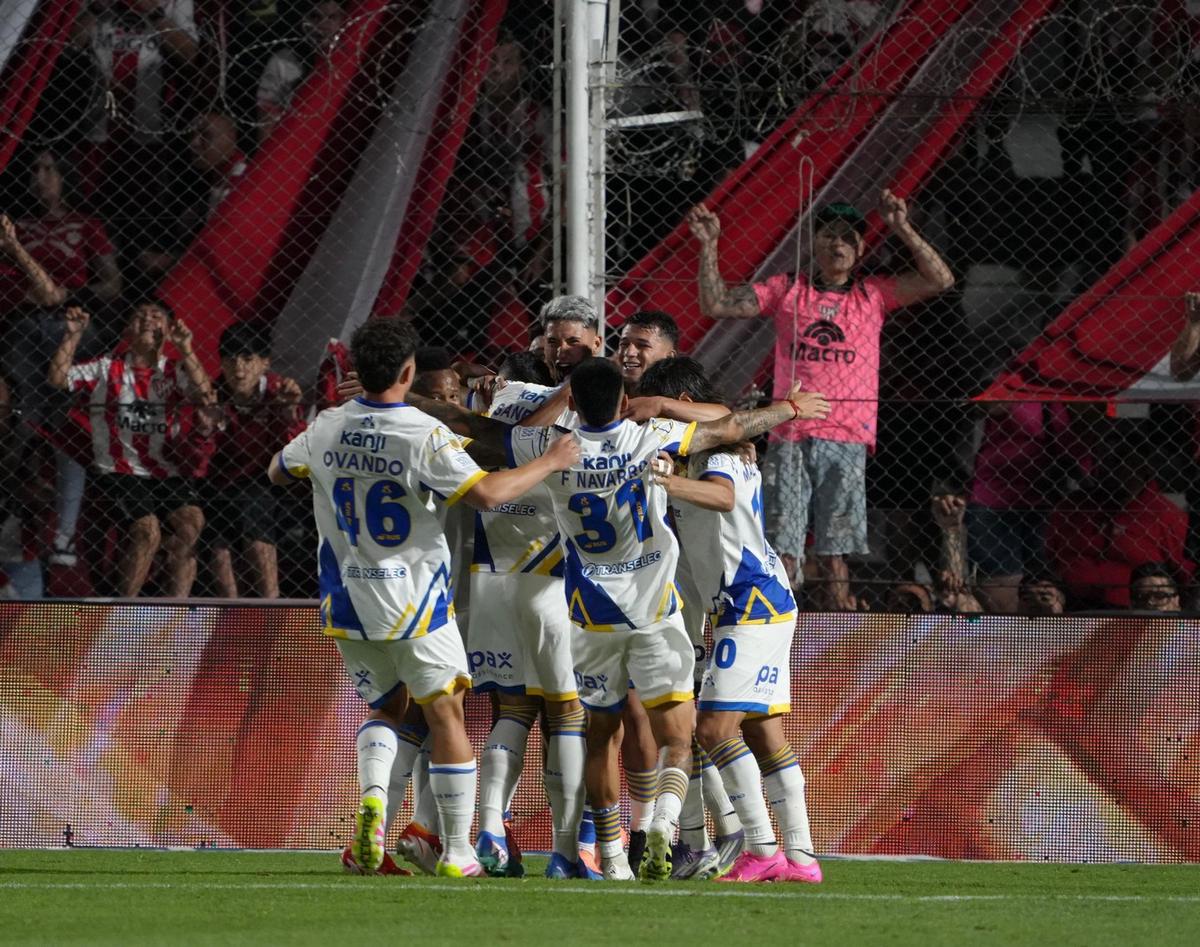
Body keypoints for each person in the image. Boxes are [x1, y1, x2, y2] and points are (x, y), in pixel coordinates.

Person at [268, 317, 580, 878]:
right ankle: (457, 852)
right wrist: (550, 461)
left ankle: (373, 817)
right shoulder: (420, 433)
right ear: (408, 372)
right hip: (413, 600)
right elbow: (488, 493)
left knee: (387, 708)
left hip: (346, 598)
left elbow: (277, 470)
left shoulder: (327, 425)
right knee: (446, 713)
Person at [503, 358, 830, 881]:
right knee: (740, 733)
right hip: (672, 610)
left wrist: (664, 476)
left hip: (652, 610)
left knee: (687, 730)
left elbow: (722, 481)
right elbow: (729, 422)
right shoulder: (654, 441)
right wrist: (787, 408)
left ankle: (726, 846)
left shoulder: (560, 448)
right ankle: (795, 853)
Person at [688, 191, 954, 608]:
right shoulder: (788, 289)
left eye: (849, 237)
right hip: (790, 432)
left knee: (836, 549)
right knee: (783, 543)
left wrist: (902, 227)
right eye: (830, 234)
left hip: (847, 435)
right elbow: (716, 303)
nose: (838, 244)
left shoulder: (871, 294)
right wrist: (709, 245)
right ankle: (779, 614)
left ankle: (837, 618)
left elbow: (941, 280)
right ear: (814, 242)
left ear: (861, 248)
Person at [638, 356, 822, 884]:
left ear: (682, 407)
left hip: (751, 604)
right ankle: (802, 857)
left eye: (661, 416)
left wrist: (666, 484)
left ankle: (762, 848)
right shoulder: (712, 448)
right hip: (752, 602)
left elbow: (722, 497)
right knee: (764, 734)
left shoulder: (717, 454)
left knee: (714, 730)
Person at [47, 301, 214, 597]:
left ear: (169, 329)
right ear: (127, 330)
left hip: (165, 471)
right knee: (148, 530)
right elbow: (58, 379)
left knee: (192, 523)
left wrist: (185, 348)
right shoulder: (106, 367)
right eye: (140, 315)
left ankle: (174, 607)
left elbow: (205, 395)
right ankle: (126, 608)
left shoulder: (174, 371)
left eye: (156, 316)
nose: (148, 320)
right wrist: (72, 335)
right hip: (118, 469)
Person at [203, 322, 305, 598]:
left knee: (252, 509)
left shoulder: (280, 392)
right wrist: (205, 428)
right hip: (219, 483)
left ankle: (270, 603)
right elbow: (199, 458)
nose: (239, 369)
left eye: (248, 359)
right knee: (218, 543)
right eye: (230, 360)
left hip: (267, 481)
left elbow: (295, 453)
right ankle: (231, 610)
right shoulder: (212, 395)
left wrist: (288, 415)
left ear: (265, 362)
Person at [256, 1, 347, 142]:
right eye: (315, 17)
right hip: (294, 138)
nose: (323, 25)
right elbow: (267, 114)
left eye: (332, 17)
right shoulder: (283, 61)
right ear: (302, 19)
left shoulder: (349, 60)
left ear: (343, 20)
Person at [616, 310, 680, 392]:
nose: (629, 353)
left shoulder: (683, 395)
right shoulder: (604, 389)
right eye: (624, 344)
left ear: (669, 357)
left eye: (643, 345)